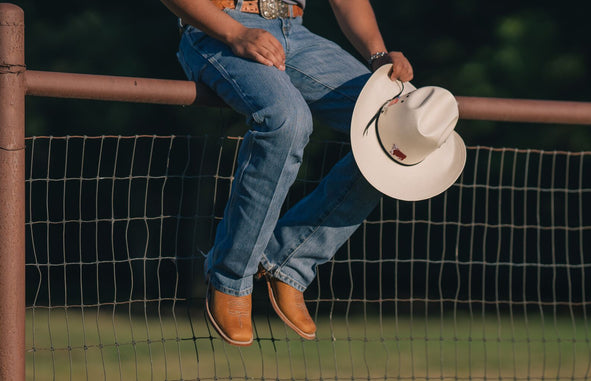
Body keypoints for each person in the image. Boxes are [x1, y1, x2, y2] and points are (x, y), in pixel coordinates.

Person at [159, 0, 414, 346]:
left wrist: (378, 55)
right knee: (288, 122)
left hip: (296, 31)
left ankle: (289, 261)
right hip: (216, 26)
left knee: (398, 129)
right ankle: (231, 277)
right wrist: (234, 32)